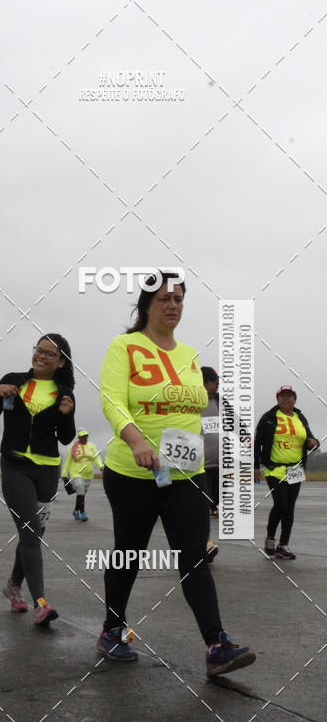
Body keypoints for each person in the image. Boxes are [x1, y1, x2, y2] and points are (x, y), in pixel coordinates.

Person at [98, 272, 255, 677]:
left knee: (194, 558)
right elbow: (112, 399)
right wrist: (136, 441)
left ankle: (217, 645)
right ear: (147, 303)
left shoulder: (188, 355)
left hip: (185, 472)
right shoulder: (125, 346)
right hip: (132, 471)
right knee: (129, 552)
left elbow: (192, 410)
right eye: (166, 298)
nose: (173, 305)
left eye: (180, 299)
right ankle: (112, 628)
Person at [0, 334, 76, 625]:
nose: (42, 356)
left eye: (50, 353)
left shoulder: (63, 390)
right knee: (31, 533)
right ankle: (41, 604)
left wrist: (67, 415)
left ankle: (13, 586)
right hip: (16, 466)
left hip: (48, 471)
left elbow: (66, 436)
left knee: (32, 535)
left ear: (61, 362)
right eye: (39, 350)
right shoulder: (13, 380)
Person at [254, 386, 319, 560]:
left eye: (289, 396)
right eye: (282, 396)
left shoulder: (300, 417)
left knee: (290, 508)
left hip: (295, 470)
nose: (286, 399)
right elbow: (257, 442)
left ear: (294, 399)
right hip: (274, 469)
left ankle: (283, 545)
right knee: (281, 503)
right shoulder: (269, 417)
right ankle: (270, 539)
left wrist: (314, 443)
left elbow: (309, 439)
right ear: (277, 399)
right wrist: (255, 466)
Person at [200, 367, 221, 564]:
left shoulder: (219, 401)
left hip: (219, 464)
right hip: (199, 465)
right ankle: (204, 544)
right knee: (200, 505)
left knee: (213, 501)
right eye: (214, 380)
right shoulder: (192, 402)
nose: (217, 383)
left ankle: (200, 543)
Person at [62, 429, 103, 521]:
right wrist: (64, 474)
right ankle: (83, 513)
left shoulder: (92, 446)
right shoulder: (72, 448)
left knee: (82, 494)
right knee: (80, 488)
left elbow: (96, 458)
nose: (85, 438)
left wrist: (100, 466)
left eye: (86, 436)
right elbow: (68, 462)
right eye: (83, 436)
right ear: (79, 437)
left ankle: (76, 511)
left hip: (88, 474)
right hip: (76, 472)